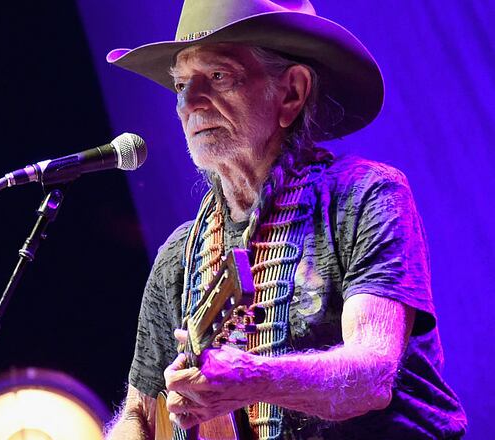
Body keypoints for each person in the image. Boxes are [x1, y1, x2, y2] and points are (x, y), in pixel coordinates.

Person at [103, 0, 467, 439]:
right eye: (181, 83)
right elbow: (138, 416)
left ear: (291, 92)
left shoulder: (365, 195)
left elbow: (372, 374)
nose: (189, 103)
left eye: (218, 76)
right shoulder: (181, 257)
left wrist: (252, 379)